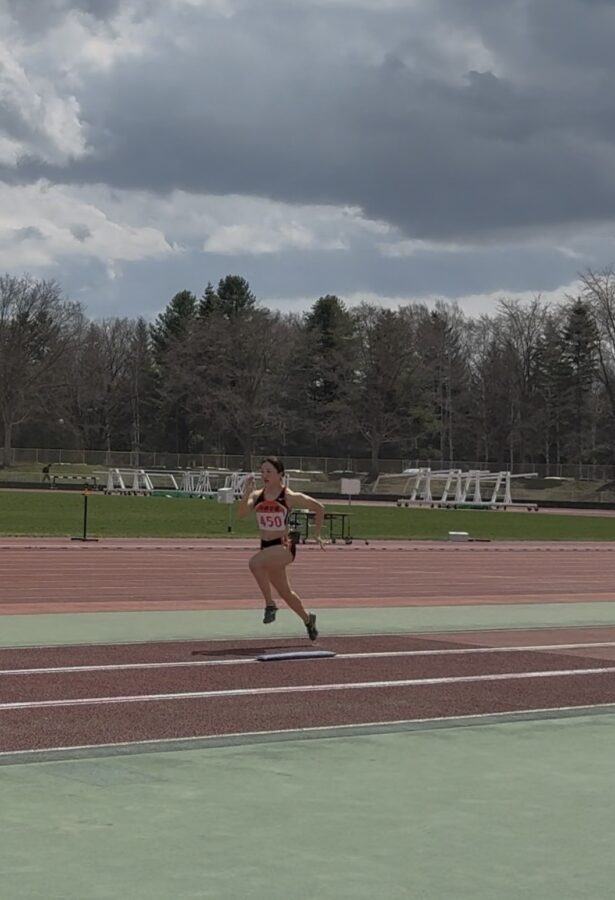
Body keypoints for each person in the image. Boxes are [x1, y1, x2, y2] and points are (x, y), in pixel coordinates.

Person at [236, 456, 325, 641]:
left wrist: (317, 534)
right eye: (262, 471)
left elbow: (319, 508)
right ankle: (308, 619)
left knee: (255, 564)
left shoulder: (288, 496)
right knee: (286, 593)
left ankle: (270, 605)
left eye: (269, 471)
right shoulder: (256, 495)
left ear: (280, 474)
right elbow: (241, 514)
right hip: (267, 547)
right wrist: (246, 494)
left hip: (284, 546)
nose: (265, 475)